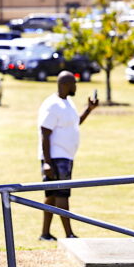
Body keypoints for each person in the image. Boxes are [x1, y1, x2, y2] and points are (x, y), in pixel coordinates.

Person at [38, 70, 98, 241]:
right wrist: (47, 162)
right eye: (73, 83)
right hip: (56, 158)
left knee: (51, 196)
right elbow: (45, 132)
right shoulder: (52, 104)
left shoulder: (67, 102)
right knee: (62, 195)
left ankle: (45, 234)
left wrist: (89, 109)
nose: (75, 86)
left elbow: (74, 123)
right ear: (64, 84)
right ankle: (69, 234)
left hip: (65, 156)